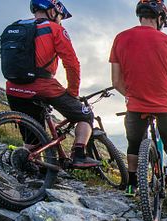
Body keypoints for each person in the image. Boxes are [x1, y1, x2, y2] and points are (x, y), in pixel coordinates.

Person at [109, 0, 167, 203]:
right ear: (161, 17)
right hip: (165, 107)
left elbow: (116, 81)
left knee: (133, 145)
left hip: (135, 107)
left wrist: (130, 97)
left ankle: (131, 185)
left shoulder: (120, 38)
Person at [6, 0, 98, 168]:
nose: (60, 19)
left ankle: (35, 168)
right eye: (61, 15)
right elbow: (71, 63)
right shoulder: (55, 29)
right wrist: (72, 92)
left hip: (13, 88)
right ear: (52, 11)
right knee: (86, 115)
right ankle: (79, 155)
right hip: (42, 85)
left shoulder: (16, 26)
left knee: (33, 136)